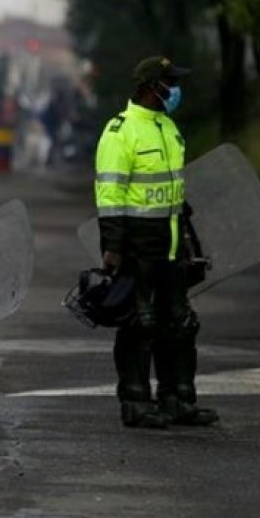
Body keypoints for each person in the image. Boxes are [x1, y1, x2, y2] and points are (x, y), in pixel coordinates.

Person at [94, 56, 219, 429]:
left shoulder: (168, 127)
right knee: (140, 322)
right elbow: (110, 194)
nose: (176, 89)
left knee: (180, 323)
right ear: (152, 87)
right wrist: (113, 246)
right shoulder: (120, 132)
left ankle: (177, 398)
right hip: (137, 246)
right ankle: (135, 402)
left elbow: (173, 190)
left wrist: (186, 237)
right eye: (170, 82)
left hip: (171, 244)